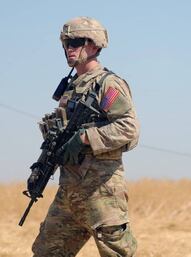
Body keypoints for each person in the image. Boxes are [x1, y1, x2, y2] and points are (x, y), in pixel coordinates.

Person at [31, 16, 139, 257]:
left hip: (101, 192)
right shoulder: (71, 87)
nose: (69, 48)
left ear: (94, 45)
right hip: (70, 193)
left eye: (76, 42)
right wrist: (40, 167)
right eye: (66, 43)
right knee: (45, 252)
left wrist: (85, 138)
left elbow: (129, 128)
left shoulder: (107, 84)